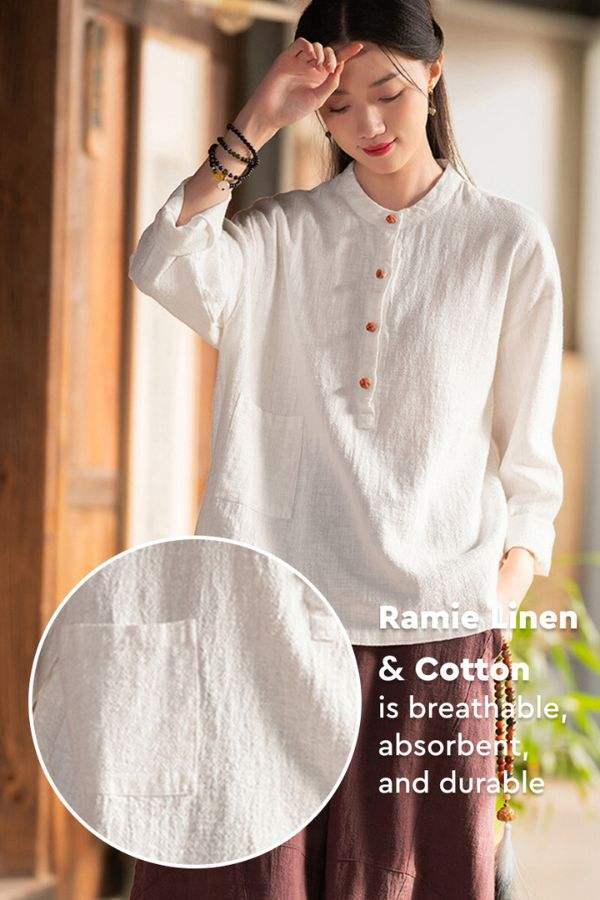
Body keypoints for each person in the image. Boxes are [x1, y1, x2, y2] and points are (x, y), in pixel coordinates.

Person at [127, 1, 564, 896]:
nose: (365, 125)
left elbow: (529, 466)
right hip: (272, 624)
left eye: (388, 93)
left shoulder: (506, 243)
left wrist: (496, 591)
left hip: (432, 637)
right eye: (337, 107)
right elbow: (162, 263)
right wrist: (255, 121)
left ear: (434, 76)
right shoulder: (280, 235)